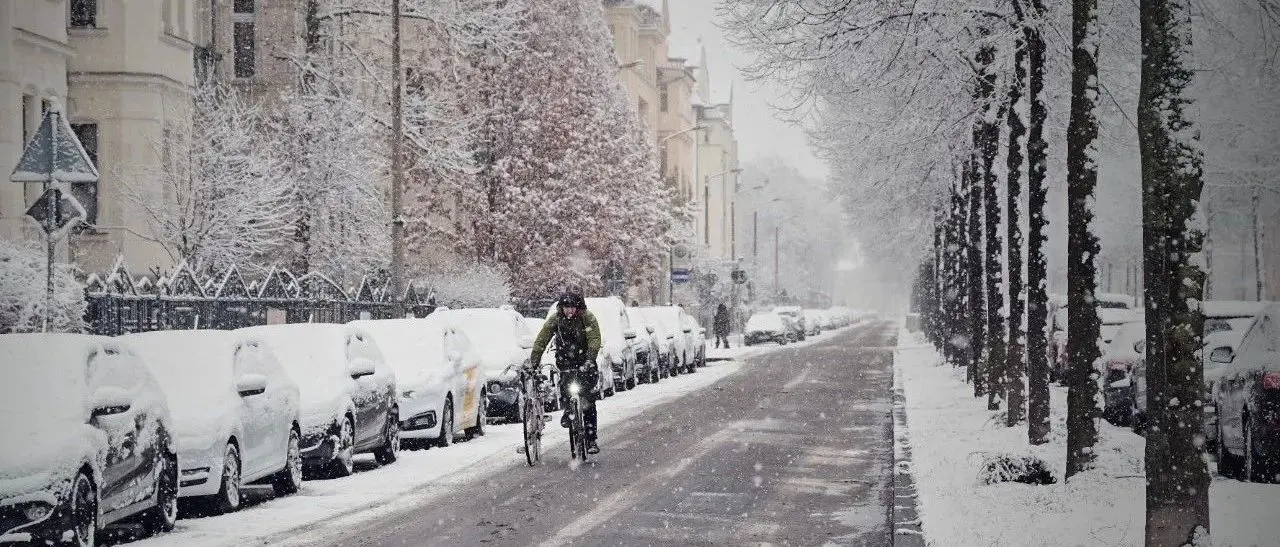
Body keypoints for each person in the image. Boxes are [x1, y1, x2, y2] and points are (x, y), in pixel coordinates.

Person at [529, 288, 603, 454]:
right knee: (565, 385)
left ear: (578, 307)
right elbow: (542, 340)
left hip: (585, 361)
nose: (569, 310)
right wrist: (534, 361)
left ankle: (591, 439)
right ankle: (569, 410)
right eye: (566, 307)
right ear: (561, 308)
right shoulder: (555, 320)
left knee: (588, 399)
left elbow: (594, 339)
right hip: (566, 361)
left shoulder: (587, 318)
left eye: (572, 307)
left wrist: (590, 359)